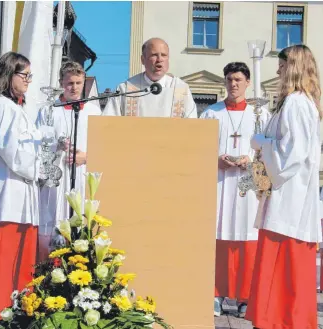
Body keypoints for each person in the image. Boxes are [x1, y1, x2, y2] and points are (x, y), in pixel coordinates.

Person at [245, 45, 322, 329]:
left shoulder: (297, 103)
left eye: (281, 65)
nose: (277, 71)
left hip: (290, 202)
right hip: (287, 198)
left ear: (293, 67)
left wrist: (261, 143)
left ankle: (281, 322)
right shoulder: (296, 102)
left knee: (284, 271)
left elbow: (291, 155)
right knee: (282, 272)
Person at [200, 62, 270, 317]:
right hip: (219, 181)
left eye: (239, 79)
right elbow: (200, 146)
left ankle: (245, 297)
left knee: (247, 237)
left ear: (248, 82)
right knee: (217, 236)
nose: (234, 84)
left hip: (247, 182)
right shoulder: (211, 113)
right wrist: (216, 158)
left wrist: (249, 160)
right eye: (229, 79)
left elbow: (269, 150)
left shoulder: (260, 115)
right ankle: (214, 294)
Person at [0, 52, 42, 322]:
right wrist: (41, 168)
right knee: (1, 260)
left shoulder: (16, 108)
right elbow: (12, 151)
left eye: (30, 75)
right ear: (8, 74)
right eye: (23, 74)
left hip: (19, 194)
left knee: (17, 260)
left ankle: (9, 311)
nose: (28, 80)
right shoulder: (2, 107)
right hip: (6, 195)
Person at [36, 61, 101, 260]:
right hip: (57, 178)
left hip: (82, 175)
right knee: (54, 221)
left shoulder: (94, 112)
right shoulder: (49, 111)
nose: (74, 88)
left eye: (78, 83)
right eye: (69, 83)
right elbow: (38, 144)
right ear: (60, 83)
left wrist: (88, 156)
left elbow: (103, 146)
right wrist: (57, 147)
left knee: (81, 220)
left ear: (84, 84)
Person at [103, 37, 197, 118]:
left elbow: (192, 127)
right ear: (143, 60)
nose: (159, 60)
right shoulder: (125, 89)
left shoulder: (181, 89)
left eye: (164, 55)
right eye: (154, 55)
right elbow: (108, 124)